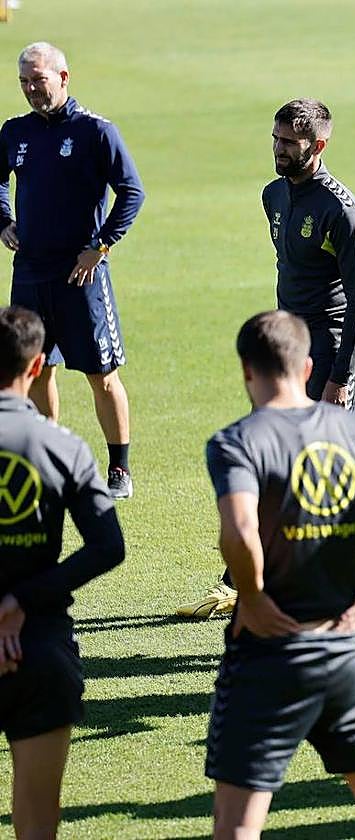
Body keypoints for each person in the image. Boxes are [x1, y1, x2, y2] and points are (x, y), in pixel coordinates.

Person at [204, 311, 355, 840]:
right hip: (344, 654)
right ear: (307, 367)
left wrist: (255, 597)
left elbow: (240, 531)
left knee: (237, 829)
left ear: (247, 371)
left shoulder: (236, 442)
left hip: (267, 656)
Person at [176, 98, 355, 620]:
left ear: (319, 145)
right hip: (287, 355)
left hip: (327, 354)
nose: (279, 150)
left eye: (290, 143)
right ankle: (251, 578)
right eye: (276, 138)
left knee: (329, 478)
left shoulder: (340, 210)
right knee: (277, 466)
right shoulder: (274, 195)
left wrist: (341, 378)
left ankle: (340, 593)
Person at [0, 305, 126, 838]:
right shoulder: (63, 446)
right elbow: (107, 547)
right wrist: (20, 602)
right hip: (41, 647)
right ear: (35, 370)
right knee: (37, 820)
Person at [0, 41, 145, 499]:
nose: (30, 89)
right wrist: (4, 220)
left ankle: (119, 469)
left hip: (80, 277)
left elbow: (131, 192)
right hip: (30, 274)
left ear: (63, 77)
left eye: (38, 80)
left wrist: (99, 247)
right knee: (37, 371)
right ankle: (49, 460)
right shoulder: (14, 132)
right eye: (24, 81)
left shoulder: (96, 132)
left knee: (102, 374)